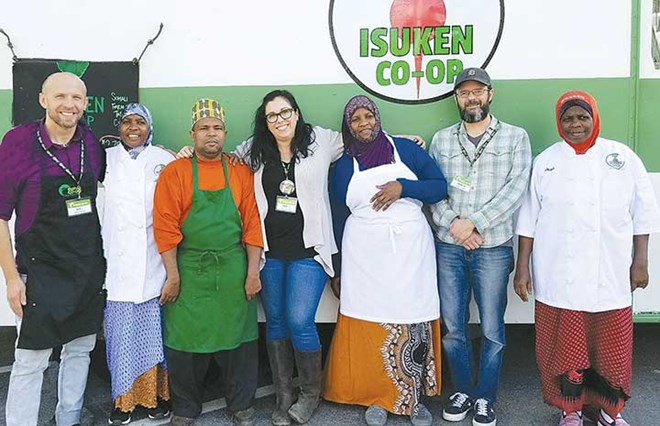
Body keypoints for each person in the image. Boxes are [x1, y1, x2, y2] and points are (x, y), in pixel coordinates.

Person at [514, 91, 660, 426]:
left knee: (612, 348)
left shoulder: (621, 157)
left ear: (594, 117)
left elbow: (644, 213)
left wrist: (641, 261)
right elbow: (528, 219)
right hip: (558, 274)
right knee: (565, 348)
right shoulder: (547, 161)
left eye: (582, 117)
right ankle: (570, 410)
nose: (575, 125)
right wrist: (522, 267)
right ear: (559, 123)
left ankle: (610, 411)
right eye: (568, 119)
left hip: (609, 273)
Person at [323, 95, 447, 426]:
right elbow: (336, 215)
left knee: (413, 316)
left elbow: (438, 187)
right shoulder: (342, 165)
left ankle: (415, 400)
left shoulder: (407, 151)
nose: (364, 123)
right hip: (364, 255)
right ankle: (374, 397)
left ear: (378, 118)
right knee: (370, 319)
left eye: (368, 116)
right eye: (355, 119)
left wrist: (403, 187)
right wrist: (337, 268)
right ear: (347, 126)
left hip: (410, 252)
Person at [0, 72, 107, 426]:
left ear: (86, 103)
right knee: (31, 359)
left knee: (80, 349)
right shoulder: (17, 143)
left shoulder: (91, 145)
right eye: (60, 96)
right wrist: (12, 280)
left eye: (77, 98)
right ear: (43, 100)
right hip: (39, 269)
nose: (69, 104)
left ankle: (69, 417)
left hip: (86, 266)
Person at [232, 90, 344, 425]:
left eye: (285, 112)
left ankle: (310, 395)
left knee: (299, 321)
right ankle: (283, 396)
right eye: (272, 116)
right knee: (276, 322)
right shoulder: (254, 149)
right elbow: (219, 158)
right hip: (269, 251)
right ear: (264, 121)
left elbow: (361, 139)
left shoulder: (321, 141)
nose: (280, 120)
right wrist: (176, 152)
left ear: (296, 113)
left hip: (309, 249)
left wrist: (405, 141)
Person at [428, 67, 532, 426]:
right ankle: (461, 391)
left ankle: (485, 397)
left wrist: (476, 223)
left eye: (477, 92)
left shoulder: (515, 138)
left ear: (490, 94)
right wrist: (455, 226)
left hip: (493, 246)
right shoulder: (442, 140)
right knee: (453, 326)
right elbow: (433, 190)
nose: (470, 98)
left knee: (491, 328)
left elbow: (516, 189)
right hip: (450, 246)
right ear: (456, 99)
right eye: (463, 93)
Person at [153, 99, 263, 426]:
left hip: (233, 267)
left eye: (216, 128)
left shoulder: (240, 172)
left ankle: (241, 404)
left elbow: (253, 224)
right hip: (188, 269)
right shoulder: (176, 172)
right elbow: (165, 226)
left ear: (225, 133)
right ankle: (185, 407)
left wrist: (253, 272)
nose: (210, 134)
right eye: (204, 128)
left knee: (239, 343)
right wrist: (173, 276)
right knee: (184, 342)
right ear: (193, 133)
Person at [101, 103, 174, 424]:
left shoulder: (164, 159)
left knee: (154, 334)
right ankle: (123, 401)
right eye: (127, 122)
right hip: (115, 262)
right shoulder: (104, 159)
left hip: (154, 260)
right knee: (120, 335)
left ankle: (156, 398)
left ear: (150, 126)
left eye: (140, 122)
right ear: (118, 127)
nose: (133, 127)